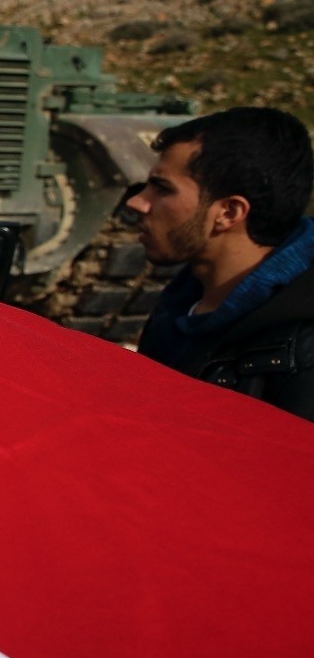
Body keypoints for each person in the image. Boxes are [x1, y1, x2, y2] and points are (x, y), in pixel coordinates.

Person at [127, 106, 314, 421]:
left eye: (162, 189)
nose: (137, 202)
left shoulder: (302, 353)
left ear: (229, 213)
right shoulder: (185, 296)